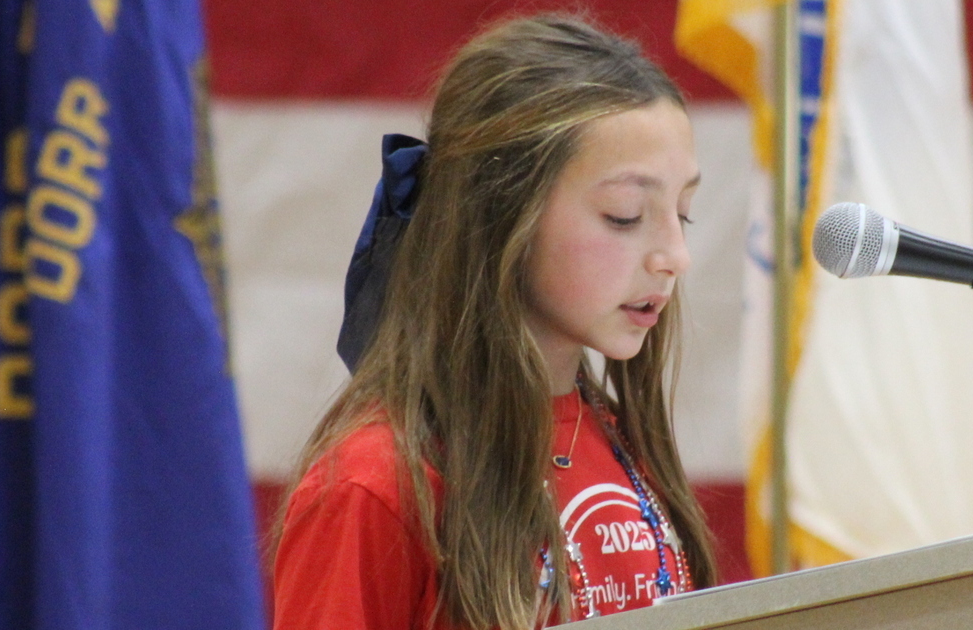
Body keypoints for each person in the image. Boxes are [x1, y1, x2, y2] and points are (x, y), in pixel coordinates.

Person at [270, 14, 719, 630]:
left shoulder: (620, 442)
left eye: (684, 213)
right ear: (501, 215)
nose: (674, 256)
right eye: (624, 214)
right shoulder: (376, 484)